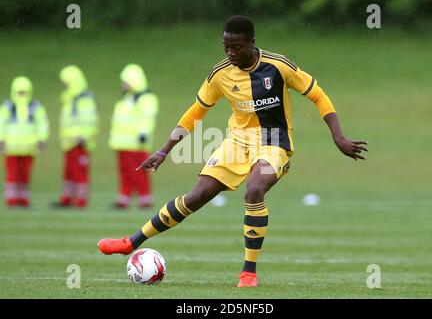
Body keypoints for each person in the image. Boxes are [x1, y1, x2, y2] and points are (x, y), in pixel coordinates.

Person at [98, 16, 368, 287]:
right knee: (197, 196)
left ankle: (248, 272)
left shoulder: (278, 66)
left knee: (254, 189)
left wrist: (338, 136)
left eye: (236, 47)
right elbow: (195, 112)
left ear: (252, 42)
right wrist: (165, 149)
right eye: (226, 47)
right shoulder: (220, 74)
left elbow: (317, 94)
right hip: (237, 142)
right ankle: (130, 242)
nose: (230, 53)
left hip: (275, 142)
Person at [109, 64, 159, 209]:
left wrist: (144, 133)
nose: (123, 85)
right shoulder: (127, 99)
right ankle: (123, 199)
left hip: (137, 143)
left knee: (139, 173)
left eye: (125, 82)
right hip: (122, 143)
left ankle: (145, 199)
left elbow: (147, 117)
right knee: (125, 173)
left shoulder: (145, 98)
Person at [0, 76, 49, 207]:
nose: (22, 95)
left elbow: (42, 123)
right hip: (12, 148)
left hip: (29, 148)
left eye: (24, 92)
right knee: (12, 174)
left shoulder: (35, 106)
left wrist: (42, 139)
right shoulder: (8, 106)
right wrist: (1, 140)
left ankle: (23, 198)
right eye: (19, 92)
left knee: (25, 175)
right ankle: (11, 198)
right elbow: (1, 123)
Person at [54, 65, 99, 208]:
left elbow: (90, 119)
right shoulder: (69, 98)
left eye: (65, 81)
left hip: (80, 142)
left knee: (80, 171)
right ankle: (67, 197)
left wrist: (84, 136)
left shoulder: (83, 99)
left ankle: (81, 198)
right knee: (69, 171)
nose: (63, 84)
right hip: (69, 141)